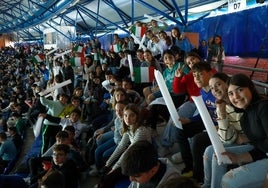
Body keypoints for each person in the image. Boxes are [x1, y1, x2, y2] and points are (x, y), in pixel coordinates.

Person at [210, 73, 268, 188]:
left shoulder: (263, 108)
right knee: (217, 155)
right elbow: (261, 148)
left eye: (240, 90)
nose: (235, 96)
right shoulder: (245, 117)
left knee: (229, 181)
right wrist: (237, 158)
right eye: (231, 93)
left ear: (250, 88)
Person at [202, 72, 250, 187]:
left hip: (253, 142)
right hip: (238, 140)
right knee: (209, 150)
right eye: (212, 88)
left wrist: (243, 136)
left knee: (218, 154)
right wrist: (222, 113)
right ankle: (207, 185)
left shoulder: (239, 102)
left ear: (227, 84)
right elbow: (227, 139)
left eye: (218, 84)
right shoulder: (222, 106)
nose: (215, 90)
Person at [97, 103, 152, 188]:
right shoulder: (129, 128)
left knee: (109, 177)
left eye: (132, 115)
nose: (127, 119)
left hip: (141, 160)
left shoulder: (141, 131)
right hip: (133, 156)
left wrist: (114, 168)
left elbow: (128, 152)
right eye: (125, 115)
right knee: (106, 167)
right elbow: (121, 146)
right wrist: (107, 164)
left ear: (137, 116)